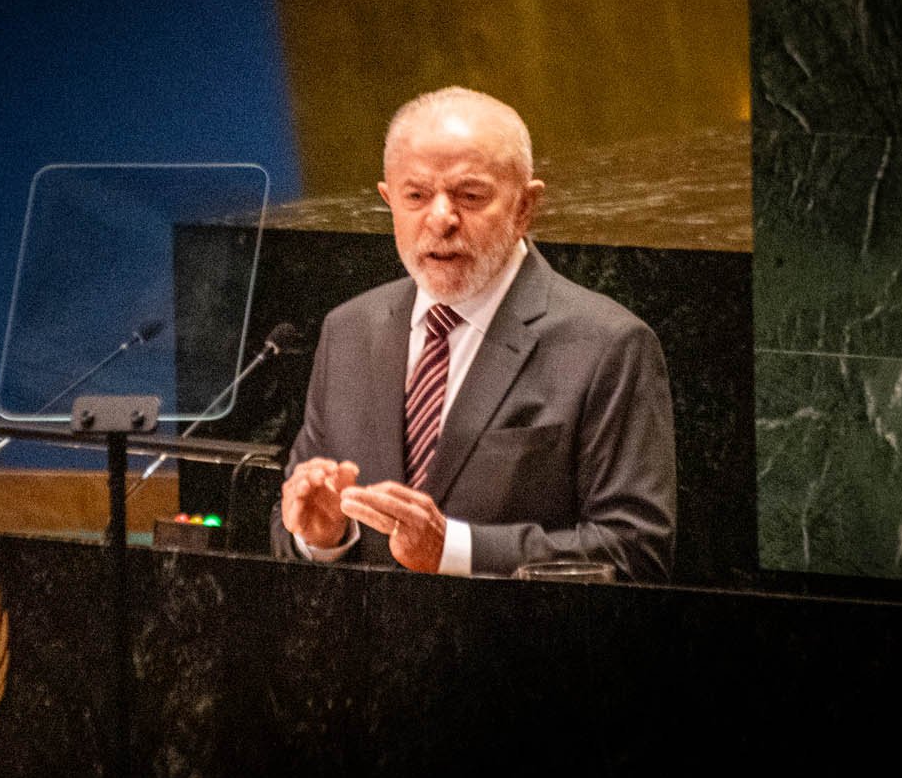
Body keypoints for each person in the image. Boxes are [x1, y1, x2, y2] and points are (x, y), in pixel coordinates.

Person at [270, 86, 676, 583]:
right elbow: (295, 523)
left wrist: (456, 550)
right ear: (388, 201)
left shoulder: (608, 345)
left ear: (525, 207)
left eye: (470, 196)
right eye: (416, 195)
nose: (441, 219)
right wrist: (322, 538)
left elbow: (637, 552)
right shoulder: (349, 330)